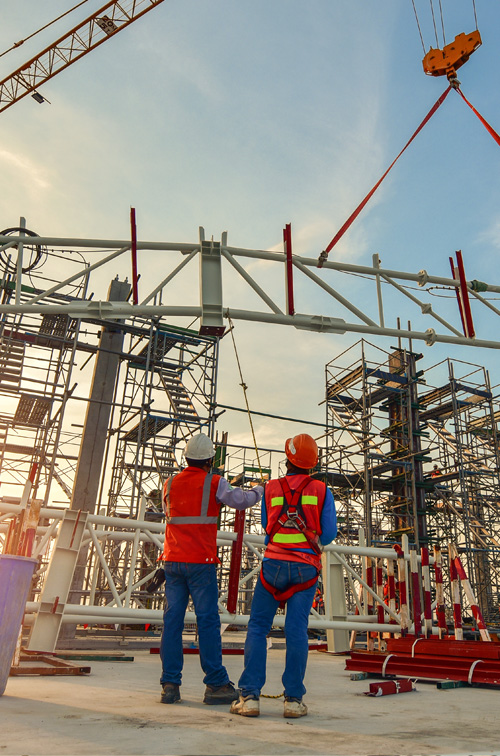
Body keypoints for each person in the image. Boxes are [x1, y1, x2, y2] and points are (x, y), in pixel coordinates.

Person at [230, 433, 337, 719]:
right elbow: (328, 534)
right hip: (305, 569)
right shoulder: (322, 490)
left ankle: (250, 697)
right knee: (296, 631)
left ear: (288, 458)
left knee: (257, 628)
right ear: (312, 463)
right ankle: (293, 700)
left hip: (273, 567)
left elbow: (267, 526)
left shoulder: (271, 488)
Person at [159, 432, 263, 705]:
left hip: (171, 562)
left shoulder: (168, 483)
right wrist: (260, 490)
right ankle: (216, 683)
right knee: (207, 622)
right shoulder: (213, 482)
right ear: (211, 459)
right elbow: (241, 500)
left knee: (172, 622)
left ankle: (170, 684)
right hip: (200, 563)